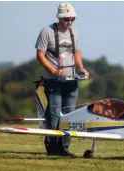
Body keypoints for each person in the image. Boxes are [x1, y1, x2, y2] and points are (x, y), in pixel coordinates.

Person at [35, 2, 89, 157]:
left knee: (69, 115)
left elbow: (76, 52)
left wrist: (80, 68)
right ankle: (52, 148)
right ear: (59, 18)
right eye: (66, 19)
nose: (69, 22)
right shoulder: (47, 32)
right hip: (53, 80)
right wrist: (54, 71)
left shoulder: (74, 31)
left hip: (72, 80)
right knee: (54, 114)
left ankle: (64, 148)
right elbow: (40, 55)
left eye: (72, 19)